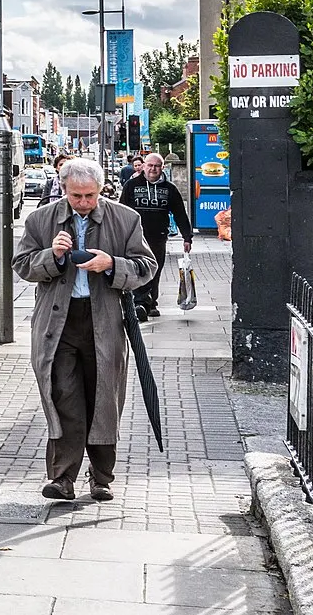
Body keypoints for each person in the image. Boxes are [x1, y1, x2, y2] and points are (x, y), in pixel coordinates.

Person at [13, 157, 156, 503]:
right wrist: (54, 257)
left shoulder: (125, 219)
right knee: (64, 397)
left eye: (90, 196)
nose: (84, 203)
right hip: (57, 324)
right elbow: (21, 265)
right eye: (76, 196)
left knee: (103, 397)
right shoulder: (40, 219)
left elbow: (147, 265)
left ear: (100, 190)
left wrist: (112, 264)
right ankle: (62, 478)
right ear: (63, 190)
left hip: (104, 321)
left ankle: (102, 477)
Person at [125, 151, 194, 320]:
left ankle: (150, 303)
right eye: (150, 165)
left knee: (155, 269)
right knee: (137, 267)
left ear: (162, 168)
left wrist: (187, 237)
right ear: (143, 167)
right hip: (135, 236)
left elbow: (180, 213)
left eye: (157, 166)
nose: (153, 169)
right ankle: (140, 302)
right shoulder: (131, 185)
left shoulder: (169, 189)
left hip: (158, 236)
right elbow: (121, 210)